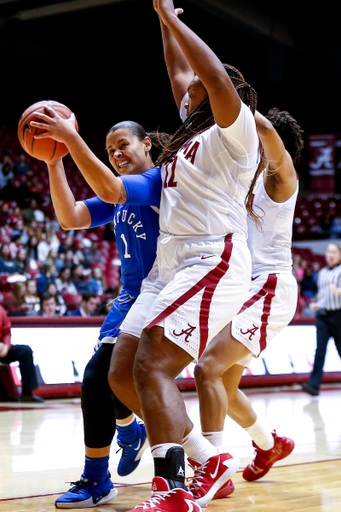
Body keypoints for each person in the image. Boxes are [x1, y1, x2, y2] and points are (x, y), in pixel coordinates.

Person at [31, 5, 259, 510]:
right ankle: (206, 460)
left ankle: (173, 486)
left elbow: (211, 76)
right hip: (168, 271)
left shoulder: (233, 132)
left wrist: (176, 23)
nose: (186, 89)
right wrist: (162, 14)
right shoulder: (184, 143)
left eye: (195, 89)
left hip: (210, 256)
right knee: (119, 372)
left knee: (152, 364)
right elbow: (181, 72)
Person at [32, 116, 165, 508]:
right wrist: (54, 162)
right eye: (110, 150)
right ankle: (128, 433)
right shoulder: (118, 195)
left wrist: (70, 139)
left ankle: (97, 478)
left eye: (123, 145)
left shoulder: (159, 183)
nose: (117, 154)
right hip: (128, 299)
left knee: (97, 375)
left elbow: (111, 188)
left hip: (161, 298)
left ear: (147, 146)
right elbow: (70, 217)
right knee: (111, 376)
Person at [192, 107, 304, 491]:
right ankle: (269, 445)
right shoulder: (244, 180)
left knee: (206, 369)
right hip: (242, 287)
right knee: (221, 383)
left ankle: (215, 469)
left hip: (269, 285)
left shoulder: (281, 177)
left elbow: (266, 130)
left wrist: (228, 102)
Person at [302, 243, 341, 396]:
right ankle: (313, 385)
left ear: (339, 255)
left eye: (333, 252)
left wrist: (337, 290)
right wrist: (317, 304)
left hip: (338, 316)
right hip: (323, 317)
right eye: (328, 252)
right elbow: (322, 294)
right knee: (320, 351)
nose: (330, 255)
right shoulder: (323, 273)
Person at [0, 304, 44, 402]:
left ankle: (27, 394)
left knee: (25, 351)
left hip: (2, 350)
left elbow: (6, 331)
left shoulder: (1, 309)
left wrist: (6, 346)